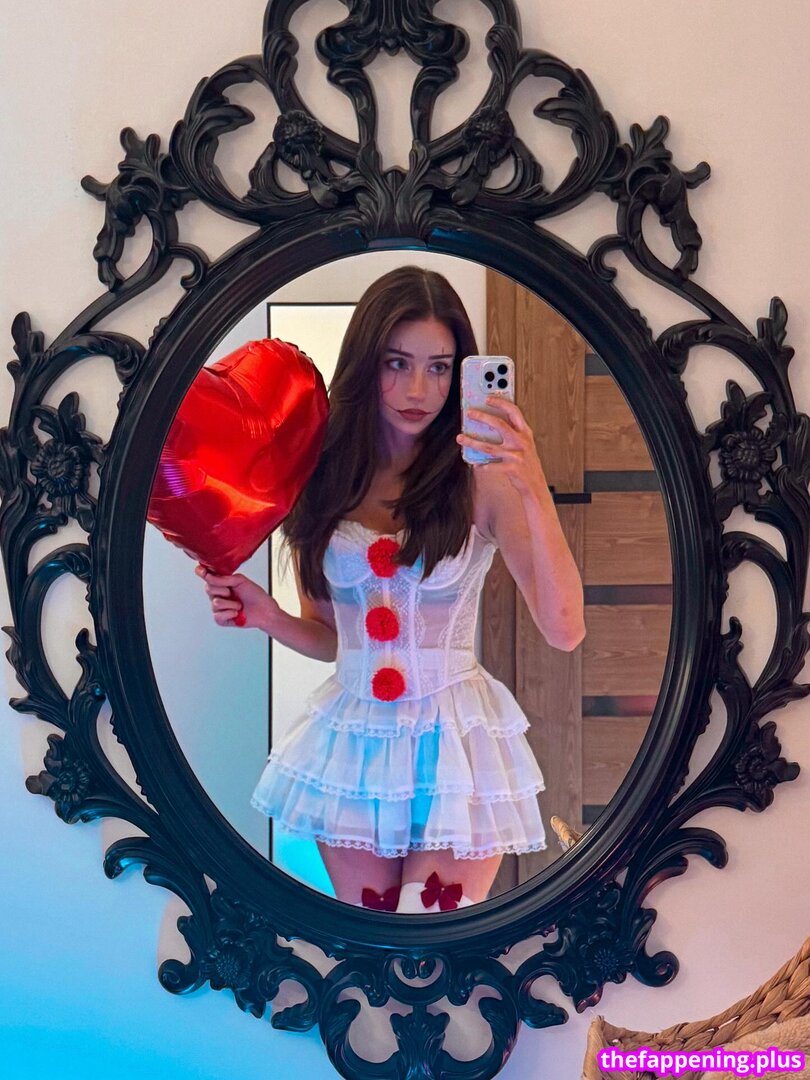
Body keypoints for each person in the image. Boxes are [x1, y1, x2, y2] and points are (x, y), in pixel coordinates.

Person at [198, 267, 585, 913]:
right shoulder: (321, 478)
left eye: (439, 367)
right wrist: (269, 617)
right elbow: (333, 640)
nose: (418, 390)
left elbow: (565, 629)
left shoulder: (483, 478)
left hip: (455, 743)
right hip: (355, 744)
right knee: (374, 941)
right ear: (365, 363)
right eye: (396, 363)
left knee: (430, 937)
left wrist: (531, 481)